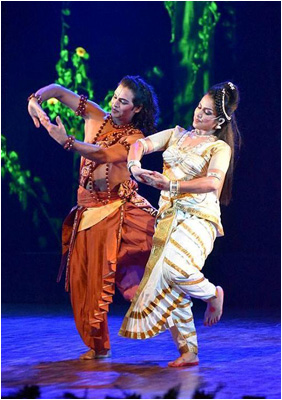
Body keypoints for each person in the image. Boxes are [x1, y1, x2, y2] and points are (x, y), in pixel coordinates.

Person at [27, 75, 159, 360]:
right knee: (82, 282)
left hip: (114, 213)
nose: (114, 104)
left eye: (122, 102)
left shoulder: (135, 139)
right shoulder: (96, 114)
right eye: (114, 97)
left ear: (137, 109)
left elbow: (102, 154)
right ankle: (99, 348)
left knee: (126, 287)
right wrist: (35, 101)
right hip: (86, 211)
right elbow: (59, 92)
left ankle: (180, 329)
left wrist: (67, 142)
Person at [119, 81, 241, 367]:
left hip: (199, 218)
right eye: (199, 107)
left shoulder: (219, 147)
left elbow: (213, 183)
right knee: (168, 284)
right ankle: (188, 352)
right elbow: (140, 144)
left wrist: (171, 185)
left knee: (174, 267)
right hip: (168, 216)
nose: (198, 114)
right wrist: (134, 167)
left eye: (207, 112)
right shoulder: (177, 135)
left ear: (219, 120)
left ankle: (213, 293)